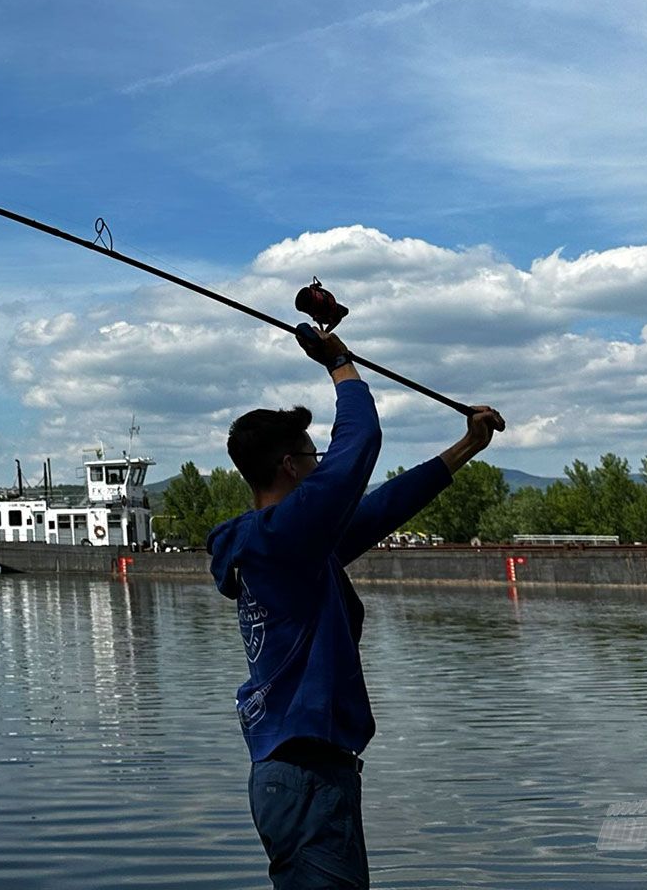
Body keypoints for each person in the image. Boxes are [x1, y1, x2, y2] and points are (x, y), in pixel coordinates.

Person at [207, 321, 506, 889]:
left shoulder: (285, 547)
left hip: (296, 774)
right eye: (310, 454)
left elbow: (382, 507)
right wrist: (339, 363)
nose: (321, 464)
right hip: (307, 775)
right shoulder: (283, 537)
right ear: (290, 467)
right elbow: (360, 444)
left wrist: (468, 445)